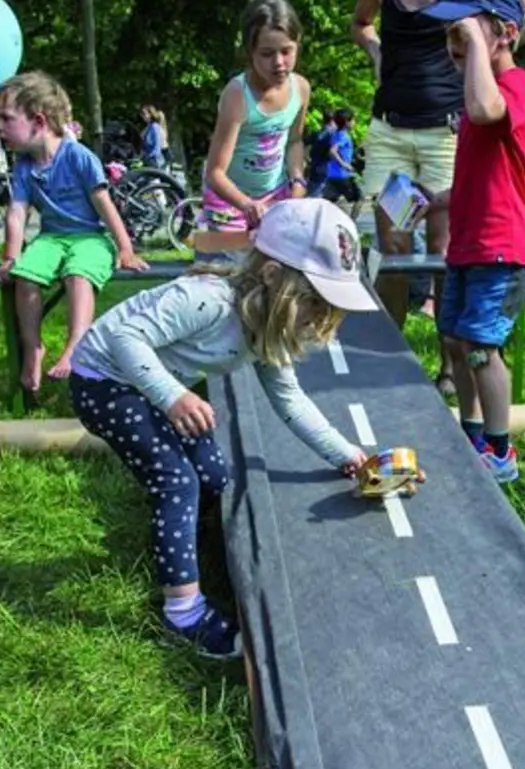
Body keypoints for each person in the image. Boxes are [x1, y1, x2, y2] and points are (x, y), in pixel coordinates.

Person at [67, 199, 380, 659]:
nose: (319, 318)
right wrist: (173, 397)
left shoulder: (264, 326)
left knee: (213, 476)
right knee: (176, 481)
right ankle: (183, 612)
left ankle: (182, 541)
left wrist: (349, 456)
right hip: (104, 382)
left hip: (151, 385)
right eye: (315, 301)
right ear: (272, 277)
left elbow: (290, 400)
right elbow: (124, 339)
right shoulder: (208, 301)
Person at [350, 0, 525, 395]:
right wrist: (377, 53)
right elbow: (362, 24)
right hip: (392, 134)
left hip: (447, 132)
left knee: (445, 250)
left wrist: (483, 60)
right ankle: (390, 363)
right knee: (394, 246)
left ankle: (450, 368)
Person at [418, 0, 525, 483]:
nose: (457, 56)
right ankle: (471, 434)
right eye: (453, 47)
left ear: (504, 33)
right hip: (468, 244)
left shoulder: (515, 85)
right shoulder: (474, 99)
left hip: (500, 245)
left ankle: (501, 451)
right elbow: (479, 175)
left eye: (465, 40)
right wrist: (435, 200)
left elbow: (489, 110)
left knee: (482, 346)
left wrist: (475, 44)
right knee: (454, 339)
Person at [0, 71, 148, 393]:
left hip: (90, 237)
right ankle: (33, 347)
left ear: (38, 121)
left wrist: (125, 249)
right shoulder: (24, 166)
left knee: (78, 275)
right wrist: (10, 257)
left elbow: (105, 206)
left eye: (6, 118)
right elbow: (17, 214)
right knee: (25, 276)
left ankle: (77, 343)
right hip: (51, 238)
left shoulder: (78, 157)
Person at [201, 0, 312, 244]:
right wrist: (246, 204)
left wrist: (297, 179)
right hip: (229, 202)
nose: (279, 62)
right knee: (230, 263)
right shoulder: (237, 95)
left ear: (298, 44)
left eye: (286, 51)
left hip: (275, 197)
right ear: (250, 52)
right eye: (267, 54)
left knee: (277, 263)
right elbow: (214, 173)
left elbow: (294, 141)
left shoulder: (301, 88)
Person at [318, 108, 362, 208]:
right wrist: (344, 164)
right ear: (347, 122)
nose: (354, 123)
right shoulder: (343, 136)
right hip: (343, 175)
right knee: (359, 199)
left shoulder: (335, 134)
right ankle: (351, 218)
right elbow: (332, 151)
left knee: (329, 203)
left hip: (331, 175)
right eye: (353, 120)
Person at [141, 105, 169, 170]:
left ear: (150, 114)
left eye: (144, 114)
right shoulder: (149, 127)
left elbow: (157, 147)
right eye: (141, 114)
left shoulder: (155, 127)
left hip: (156, 161)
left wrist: (149, 157)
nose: (142, 116)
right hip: (149, 157)